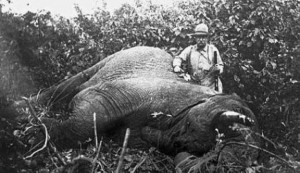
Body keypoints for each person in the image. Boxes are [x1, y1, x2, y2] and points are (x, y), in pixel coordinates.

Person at [172, 23, 224, 93]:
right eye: (199, 37)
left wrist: (219, 69)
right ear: (195, 38)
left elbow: (220, 65)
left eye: (203, 37)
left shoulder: (213, 50)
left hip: (211, 85)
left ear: (207, 38)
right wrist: (176, 66)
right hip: (195, 86)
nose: (201, 40)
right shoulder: (190, 50)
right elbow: (178, 58)